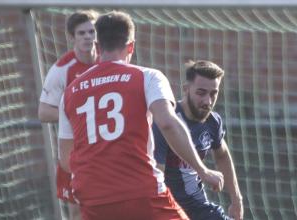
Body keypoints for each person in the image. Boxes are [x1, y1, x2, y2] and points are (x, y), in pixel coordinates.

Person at [58, 11, 224, 220]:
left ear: (97, 47)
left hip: (92, 198)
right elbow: (168, 124)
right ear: (131, 46)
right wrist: (202, 170)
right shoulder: (148, 77)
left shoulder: (70, 92)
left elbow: (65, 159)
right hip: (140, 192)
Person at [153, 60, 244, 220]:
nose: (208, 101)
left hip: (198, 207)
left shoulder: (213, 122)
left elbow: (222, 155)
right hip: (167, 208)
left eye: (213, 93)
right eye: (201, 93)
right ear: (186, 89)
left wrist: (236, 199)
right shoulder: (166, 122)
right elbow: (156, 175)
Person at [38, 10, 98, 220]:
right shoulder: (62, 69)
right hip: (75, 150)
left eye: (91, 31)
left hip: (104, 147)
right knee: (76, 209)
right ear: (71, 37)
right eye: (81, 33)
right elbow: (43, 112)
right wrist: (78, 117)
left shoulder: (107, 60)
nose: (88, 37)